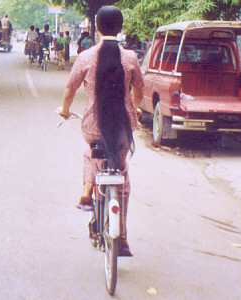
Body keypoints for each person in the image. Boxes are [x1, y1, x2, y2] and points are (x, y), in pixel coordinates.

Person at [58, 6, 144, 256]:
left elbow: (69, 90)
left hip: (92, 126)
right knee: (122, 173)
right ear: (120, 27)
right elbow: (139, 90)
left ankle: (87, 188)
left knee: (92, 152)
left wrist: (65, 110)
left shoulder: (86, 56)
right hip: (122, 130)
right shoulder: (130, 57)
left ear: (97, 27)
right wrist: (134, 109)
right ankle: (123, 236)